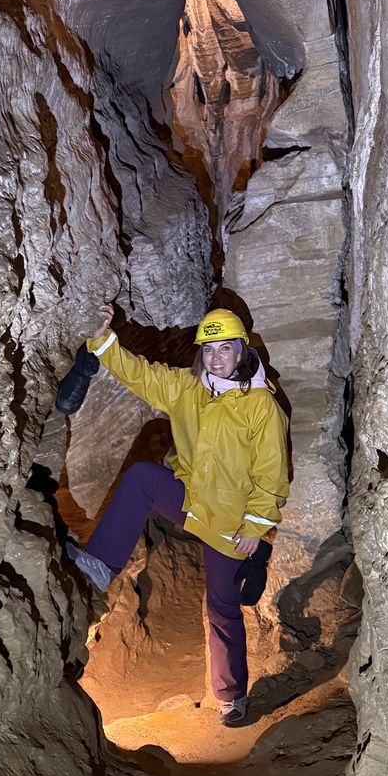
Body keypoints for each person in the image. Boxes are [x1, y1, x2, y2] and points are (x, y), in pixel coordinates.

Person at [65, 304, 289, 725]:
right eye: (210, 349)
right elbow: (144, 375)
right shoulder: (189, 389)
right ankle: (99, 564)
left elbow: (271, 473)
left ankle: (231, 698)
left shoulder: (261, 407)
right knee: (143, 479)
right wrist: (103, 342)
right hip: (190, 500)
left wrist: (255, 527)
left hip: (229, 524)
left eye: (226, 348)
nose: (217, 358)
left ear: (242, 351)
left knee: (222, 607)